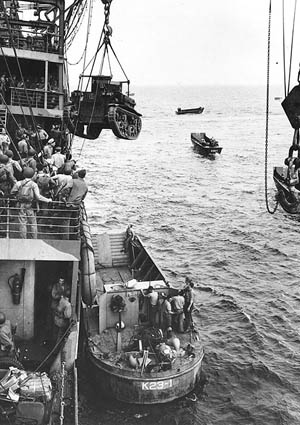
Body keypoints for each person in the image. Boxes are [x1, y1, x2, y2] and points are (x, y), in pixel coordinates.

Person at [10, 167, 52, 238]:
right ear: (33, 175)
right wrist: (48, 200)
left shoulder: (18, 183)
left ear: (23, 174)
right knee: (33, 223)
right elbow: (38, 197)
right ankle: (34, 238)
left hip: (21, 205)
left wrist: (17, 197)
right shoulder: (34, 184)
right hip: (30, 205)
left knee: (22, 223)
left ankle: (23, 239)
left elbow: (12, 192)